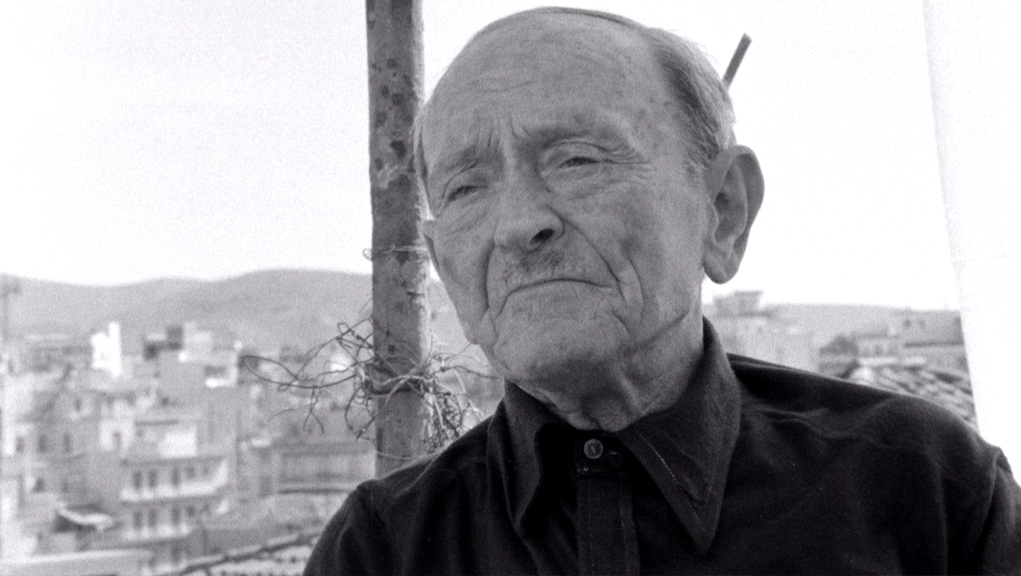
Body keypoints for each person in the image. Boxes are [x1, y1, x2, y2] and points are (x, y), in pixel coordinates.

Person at [306, 7, 1021, 574]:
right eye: (465, 188)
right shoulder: (382, 549)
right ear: (442, 262)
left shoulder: (924, 489)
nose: (519, 225)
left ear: (723, 212)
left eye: (577, 160)